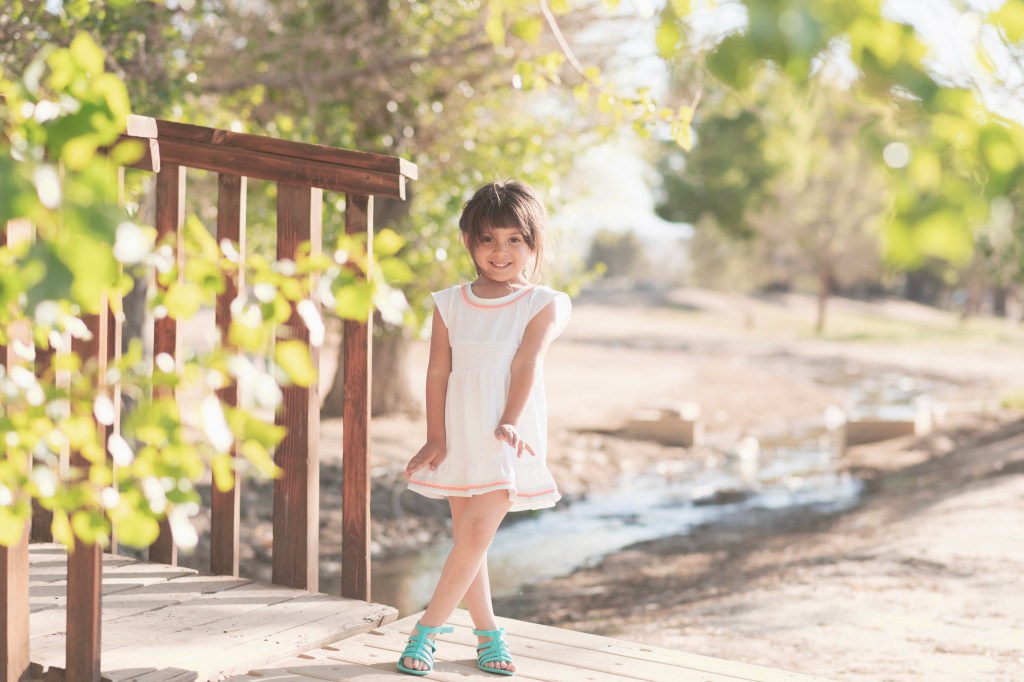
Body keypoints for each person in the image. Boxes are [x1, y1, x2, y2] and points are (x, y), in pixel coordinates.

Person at [398, 179, 572, 677]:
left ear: (534, 244)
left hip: (506, 434)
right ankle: (489, 634)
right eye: (489, 239)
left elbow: (526, 365)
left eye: (515, 239)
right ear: (469, 242)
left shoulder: (543, 302)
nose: (501, 251)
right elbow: (437, 372)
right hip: (459, 431)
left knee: (475, 532)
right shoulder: (449, 302)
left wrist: (511, 420)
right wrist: (436, 436)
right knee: (468, 542)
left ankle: (426, 631)